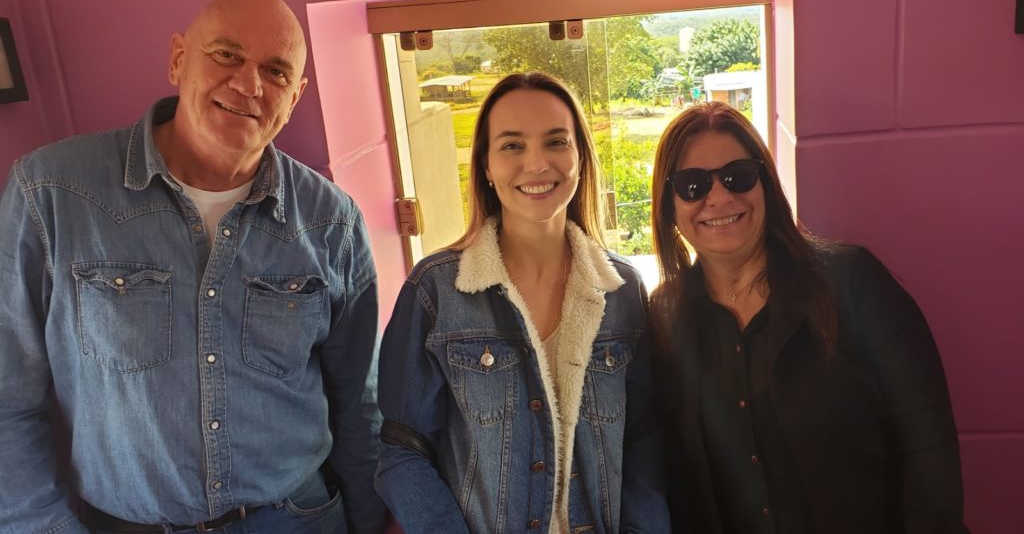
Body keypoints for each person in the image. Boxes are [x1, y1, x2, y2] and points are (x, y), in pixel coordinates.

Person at [0, 0, 386, 534]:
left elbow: (359, 403)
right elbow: (7, 399)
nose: (249, 84)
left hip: (299, 518)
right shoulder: (51, 194)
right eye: (227, 54)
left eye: (275, 72)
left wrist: (368, 522)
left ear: (295, 96)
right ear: (179, 60)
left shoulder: (332, 221)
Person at [647, 101, 968, 533]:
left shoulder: (851, 282)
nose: (719, 198)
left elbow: (928, 443)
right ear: (668, 206)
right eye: (692, 185)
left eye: (738, 176)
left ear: (765, 184)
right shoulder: (664, 319)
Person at [374, 72, 668, 533]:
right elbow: (401, 450)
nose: (536, 163)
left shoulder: (623, 290)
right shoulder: (435, 292)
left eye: (556, 142)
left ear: (579, 157)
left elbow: (643, 440)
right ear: (486, 167)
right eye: (512, 145)